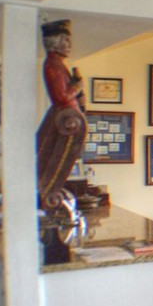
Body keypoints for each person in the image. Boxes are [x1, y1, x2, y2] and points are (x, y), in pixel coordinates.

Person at [36, 19, 88, 216]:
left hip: (71, 117)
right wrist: (78, 87)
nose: (69, 45)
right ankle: (48, 194)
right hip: (66, 118)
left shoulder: (59, 64)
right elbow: (61, 97)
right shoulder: (53, 66)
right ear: (54, 42)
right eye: (65, 40)